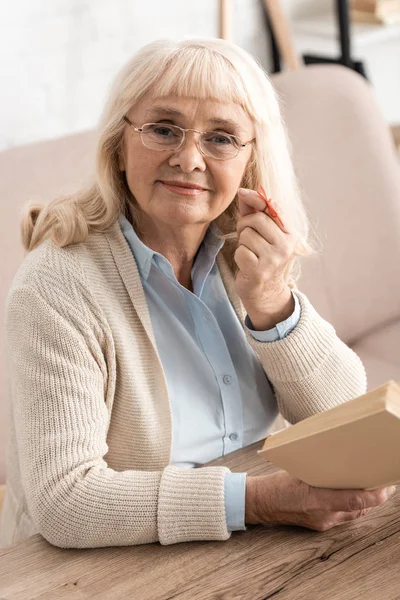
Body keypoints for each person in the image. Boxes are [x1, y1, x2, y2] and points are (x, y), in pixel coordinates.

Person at [0, 37, 395, 550]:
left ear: (251, 159)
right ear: (118, 146)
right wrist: (258, 502)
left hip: (257, 543)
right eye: (163, 129)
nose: (188, 158)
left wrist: (273, 301)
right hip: (104, 566)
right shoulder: (56, 286)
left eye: (222, 138)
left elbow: (345, 417)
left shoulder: (245, 251)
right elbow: (67, 502)